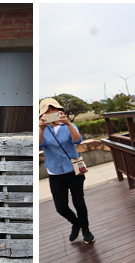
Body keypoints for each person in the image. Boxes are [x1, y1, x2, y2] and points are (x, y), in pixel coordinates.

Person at [39, 98, 95, 244]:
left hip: (74, 171)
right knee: (61, 207)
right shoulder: (42, 129)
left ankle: (86, 230)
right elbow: (37, 145)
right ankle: (76, 223)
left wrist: (68, 123)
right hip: (55, 174)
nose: (52, 113)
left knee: (79, 203)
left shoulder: (69, 126)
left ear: (60, 111)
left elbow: (78, 140)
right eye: (47, 111)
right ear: (42, 115)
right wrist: (41, 128)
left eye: (54, 110)